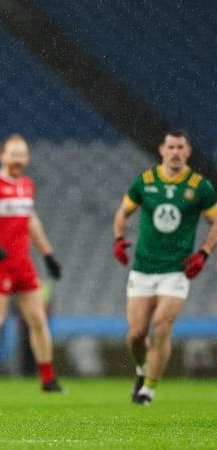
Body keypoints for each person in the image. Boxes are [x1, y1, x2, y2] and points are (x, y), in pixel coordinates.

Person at [113, 129, 217, 405]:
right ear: (162, 150)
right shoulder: (145, 181)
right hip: (143, 269)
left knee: (161, 326)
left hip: (176, 270)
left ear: (188, 152)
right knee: (136, 335)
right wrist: (119, 239)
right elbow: (123, 212)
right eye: (170, 147)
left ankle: (148, 390)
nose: (175, 152)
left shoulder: (200, 187)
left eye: (180, 147)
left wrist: (204, 253)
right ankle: (141, 369)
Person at [0, 134, 63, 394]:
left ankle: (48, 380)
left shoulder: (27, 185)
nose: (18, 159)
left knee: (38, 320)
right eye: (13, 154)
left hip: (24, 263)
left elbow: (32, 221)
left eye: (22, 154)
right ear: (2, 156)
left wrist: (48, 254)